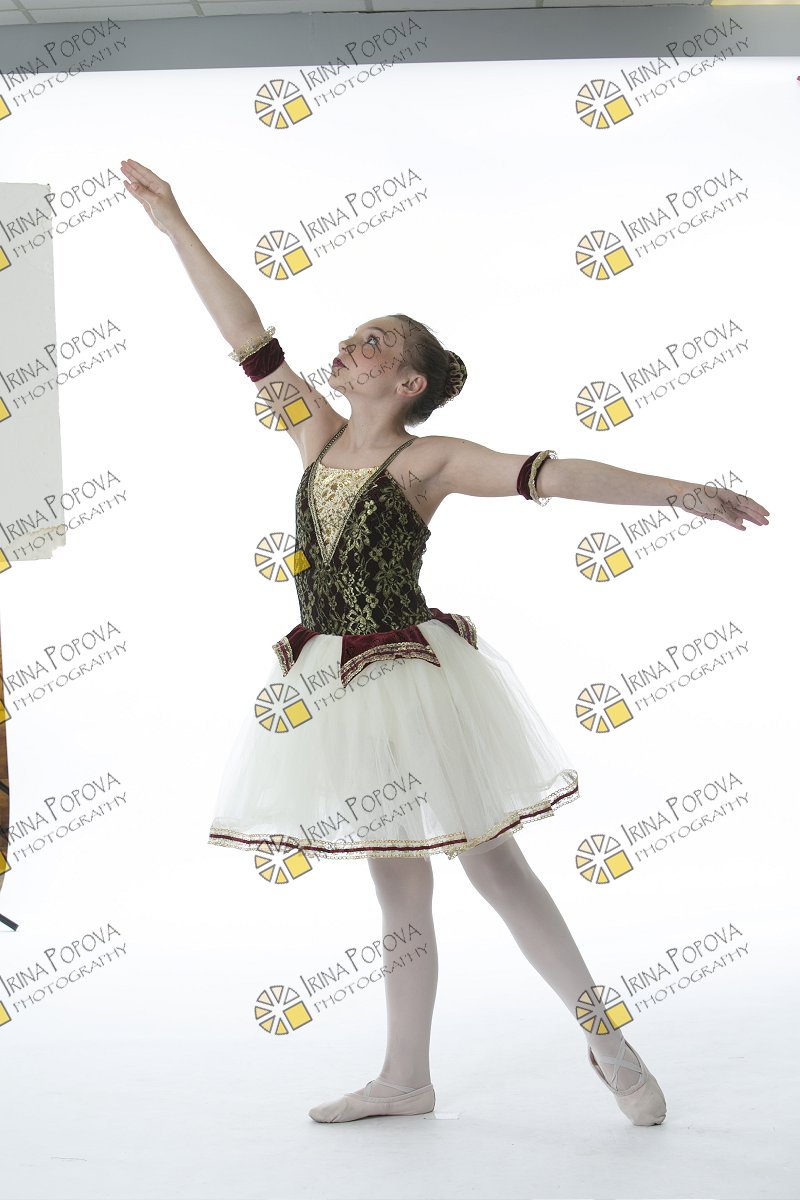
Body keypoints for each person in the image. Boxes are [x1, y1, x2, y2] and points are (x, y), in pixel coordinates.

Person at [120, 158, 770, 1129]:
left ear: (407, 380)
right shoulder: (313, 434)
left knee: (494, 866)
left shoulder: (429, 460)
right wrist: (175, 225)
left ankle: (605, 1038)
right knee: (397, 885)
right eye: (351, 337)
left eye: (370, 342)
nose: (348, 347)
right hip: (333, 676)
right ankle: (405, 1078)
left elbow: (550, 474)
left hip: (413, 675)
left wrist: (676, 492)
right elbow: (246, 337)